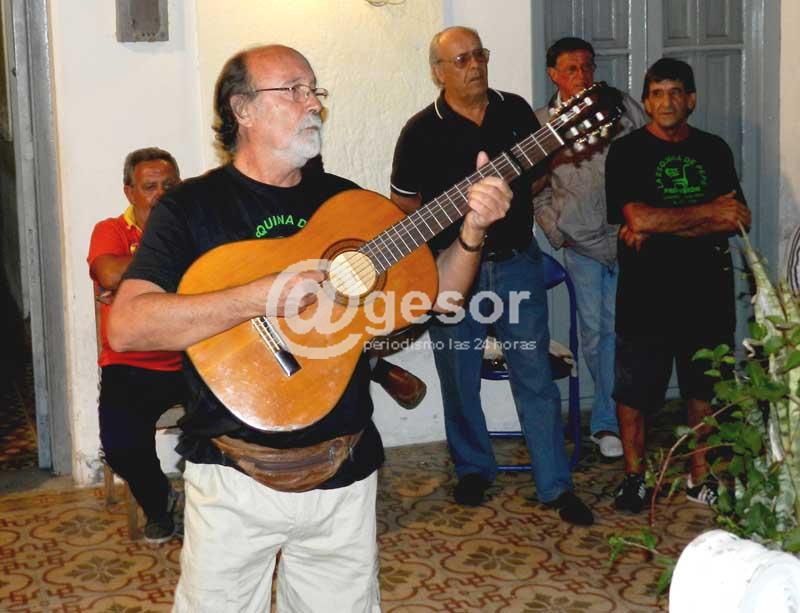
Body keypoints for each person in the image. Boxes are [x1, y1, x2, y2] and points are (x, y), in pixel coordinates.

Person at [108, 44, 512, 612]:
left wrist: (472, 230)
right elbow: (127, 326)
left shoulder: (350, 206)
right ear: (242, 108)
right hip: (232, 474)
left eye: (315, 90)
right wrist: (257, 298)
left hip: (343, 471)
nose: (312, 104)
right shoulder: (192, 208)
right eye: (292, 90)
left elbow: (440, 294)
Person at [390, 26, 594, 527]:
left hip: (517, 263)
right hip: (453, 277)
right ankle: (474, 470)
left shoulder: (516, 111)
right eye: (460, 60)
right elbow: (404, 207)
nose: (474, 65)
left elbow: (540, 173)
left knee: (534, 376)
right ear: (438, 72)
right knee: (458, 378)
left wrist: (508, 193)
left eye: (479, 54)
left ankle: (555, 485)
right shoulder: (419, 130)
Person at [605, 58, 751, 513]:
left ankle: (698, 477)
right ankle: (634, 477)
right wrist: (707, 214)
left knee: (703, 390)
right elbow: (635, 218)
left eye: (675, 93)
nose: (666, 102)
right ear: (646, 101)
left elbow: (739, 218)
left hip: (707, 291)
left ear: (691, 99)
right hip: (646, 292)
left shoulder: (714, 149)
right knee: (634, 393)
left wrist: (660, 224)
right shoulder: (626, 152)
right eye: (656, 93)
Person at [533, 37, 648, 459]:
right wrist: (556, 231)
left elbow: (648, 153)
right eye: (571, 69)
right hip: (581, 243)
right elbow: (534, 190)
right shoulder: (542, 123)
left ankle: (610, 420)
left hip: (627, 237)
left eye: (587, 67)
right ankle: (611, 420)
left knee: (621, 332)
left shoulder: (622, 108)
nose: (581, 76)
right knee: (596, 334)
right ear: (554, 75)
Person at [87, 147, 185, 543]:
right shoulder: (110, 230)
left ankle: (222, 504)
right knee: (120, 446)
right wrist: (168, 264)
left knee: (239, 420)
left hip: (190, 355)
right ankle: (160, 502)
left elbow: (215, 277)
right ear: (129, 192)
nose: (161, 194)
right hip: (130, 364)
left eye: (170, 185)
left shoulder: (193, 226)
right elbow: (109, 272)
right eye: (150, 187)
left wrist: (137, 284)